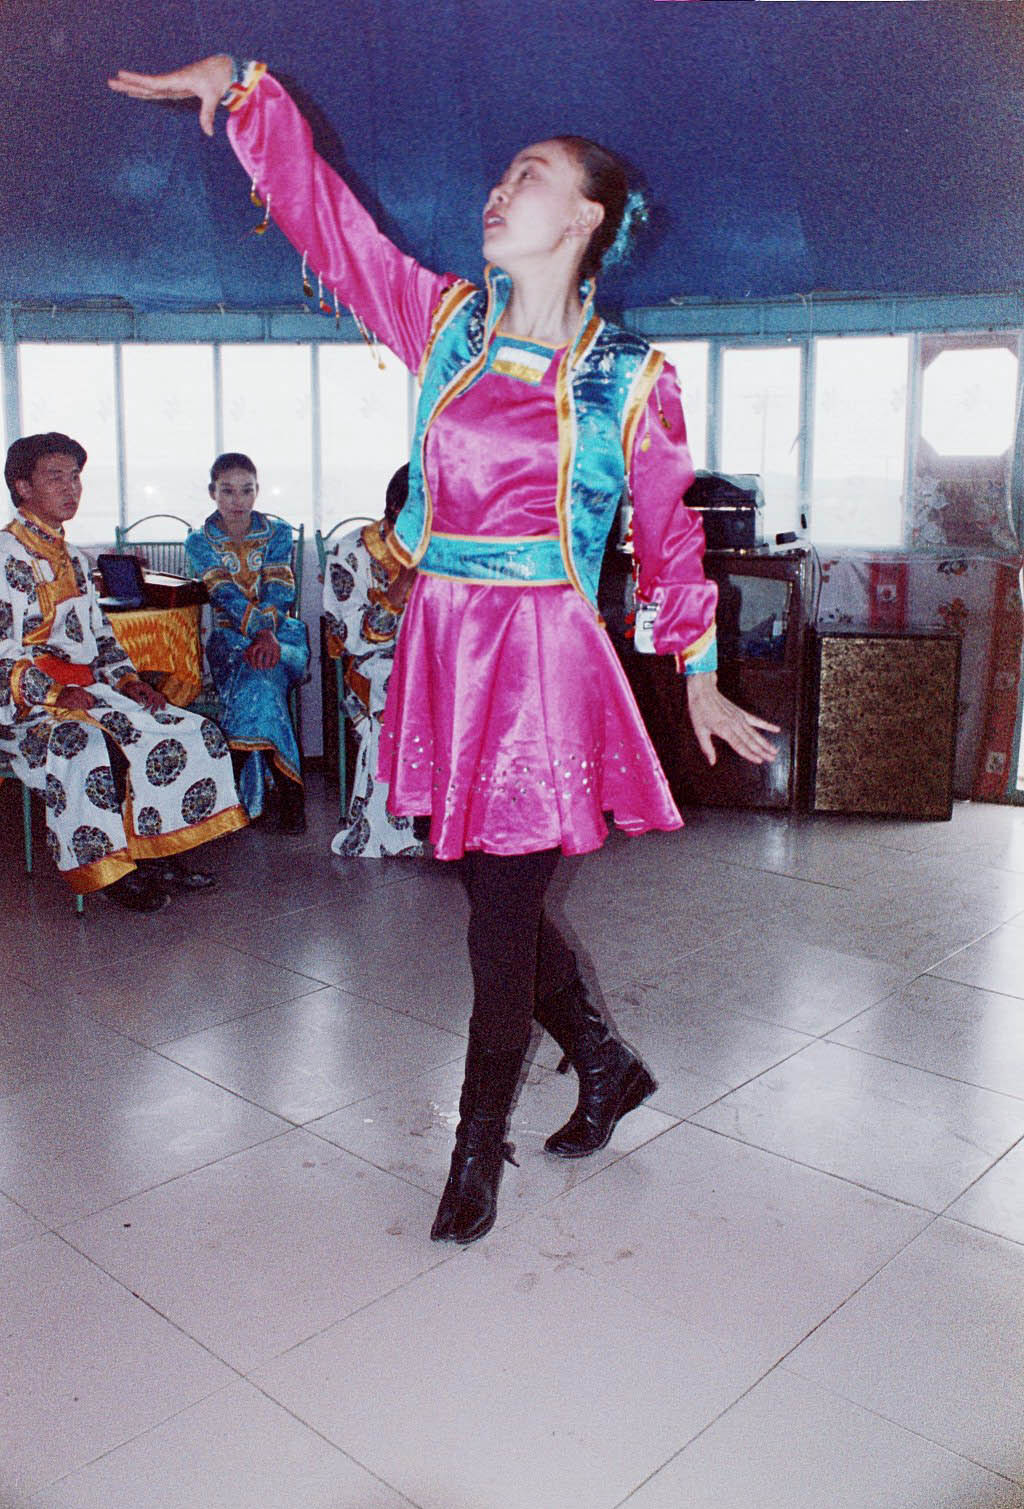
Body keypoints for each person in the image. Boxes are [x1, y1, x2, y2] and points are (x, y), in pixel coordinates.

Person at [110, 58, 779, 1239]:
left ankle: (475, 1150)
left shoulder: (628, 378)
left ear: (585, 217)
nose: (497, 191)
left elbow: (667, 537)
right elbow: (332, 227)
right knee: (482, 880)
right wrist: (248, 92)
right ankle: (604, 1062)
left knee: (498, 915)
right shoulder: (446, 324)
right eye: (501, 175)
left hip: (541, 659)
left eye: (529, 176)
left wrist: (699, 673)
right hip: (443, 640)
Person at [1, 432, 247, 911]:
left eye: (76, 477)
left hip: (91, 692)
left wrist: (129, 681)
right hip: (27, 708)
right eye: (56, 477)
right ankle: (112, 871)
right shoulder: (4, 555)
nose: (71, 488)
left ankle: (160, 851)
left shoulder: (75, 559)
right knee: (89, 745)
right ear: (22, 487)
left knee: (186, 728)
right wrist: (54, 694)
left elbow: (101, 637)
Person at [185, 452, 309, 832]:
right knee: (261, 681)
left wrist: (267, 632)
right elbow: (222, 592)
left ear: (258, 491)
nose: (238, 500)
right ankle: (289, 797)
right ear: (212, 492)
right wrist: (258, 633)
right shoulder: (199, 541)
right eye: (227, 491)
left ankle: (234, 792)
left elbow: (280, 587)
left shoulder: (278, 532)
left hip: (283, 635)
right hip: (228, 640)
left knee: (262, 673)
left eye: (246, 490)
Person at [323, 462, 425, 858]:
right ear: (397, 507)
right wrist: (403, 584)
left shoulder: (450, 548)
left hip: (442, 657)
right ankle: (394, 827)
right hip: (374, 663)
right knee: (398, 688)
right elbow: (355, 639)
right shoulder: (351, 552)